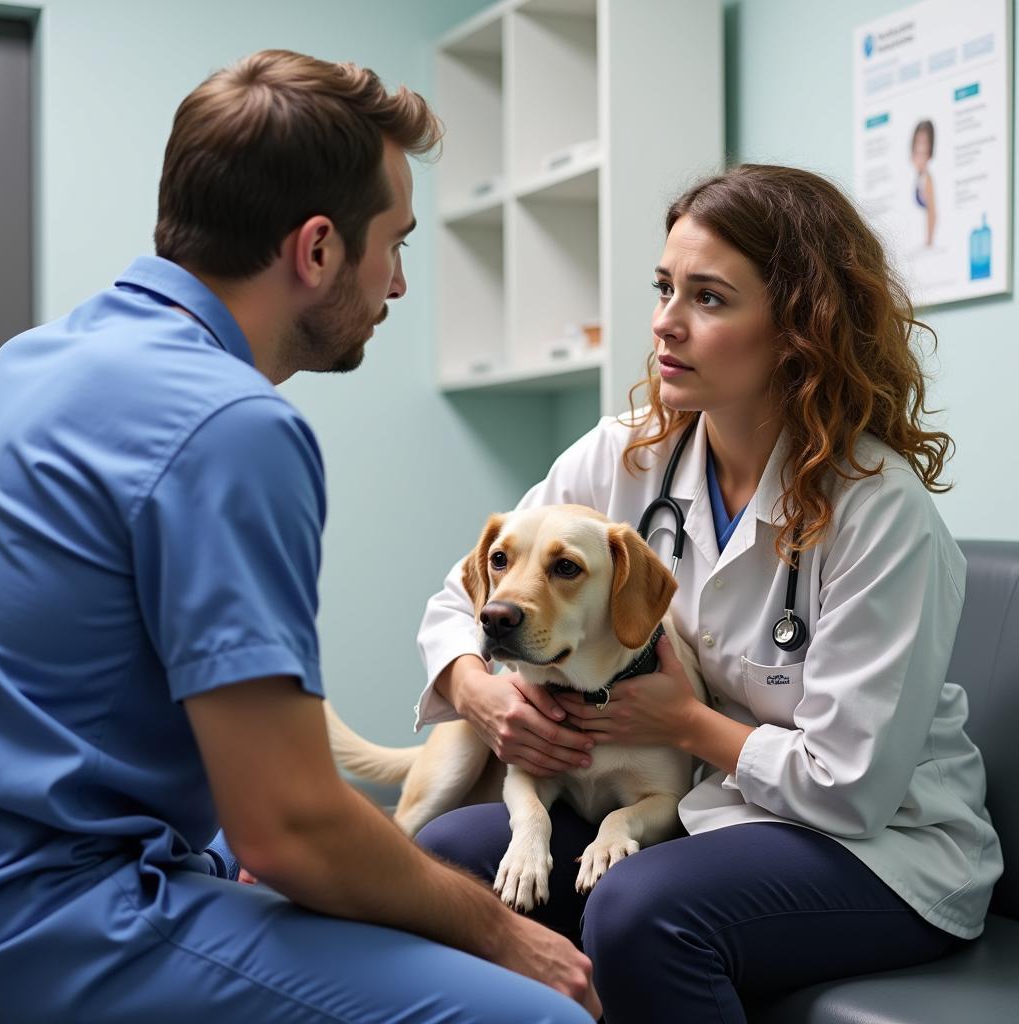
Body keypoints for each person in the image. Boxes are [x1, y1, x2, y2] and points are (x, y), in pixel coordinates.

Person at [0, 50, 598, 1024]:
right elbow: (287, 831)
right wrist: (502, 933)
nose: (398, 284)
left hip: (56, 871)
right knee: (545, 1011)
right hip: (60, 914)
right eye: (394, 244)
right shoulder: (231, 425)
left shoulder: (28, 364)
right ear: (316, 249)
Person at [412, 164, 1003, 1023]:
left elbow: (850, 789)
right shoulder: (626, 455)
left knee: (644, 912)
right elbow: (458, 604)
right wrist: (481, 692)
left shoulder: (881, 511)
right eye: (664, 288)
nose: (664, 323)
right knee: (455, 853)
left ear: (802, 329)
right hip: (694, 804)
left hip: (881, 848)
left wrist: (684, 722)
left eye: (710, 298)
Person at [911, 119, 937, 246]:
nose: (920, 157)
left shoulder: (927, 179)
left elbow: (932, 212)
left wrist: (928, 243)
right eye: (917, 152)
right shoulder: (915, 177)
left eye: (924, 152)